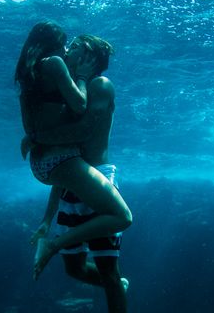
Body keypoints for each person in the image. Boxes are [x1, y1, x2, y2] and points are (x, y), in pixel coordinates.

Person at [30, 34, 129, 313]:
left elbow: (86, 129)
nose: (66, 51)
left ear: (90, 58)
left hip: (98, 179)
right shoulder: (71, 89)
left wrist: (40, 138)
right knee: (75, 270)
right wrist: (46, 219)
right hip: (75, 179)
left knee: (108, 268)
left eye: (75, 48)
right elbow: (66, 164)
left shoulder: (100, 84)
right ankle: (114, 286)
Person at [16, 22, 132, 280]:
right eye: (68, 43)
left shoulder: (33, 76)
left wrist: (47, 219)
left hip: (46, 166)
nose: (67, 49)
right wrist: (80, 77)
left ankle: (114, 284)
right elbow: (79, 127)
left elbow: (66, 155)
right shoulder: (61, 73)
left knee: (79, 269)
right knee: (122, 217)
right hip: (67, 164)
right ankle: (54, 245)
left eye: (75, 46)